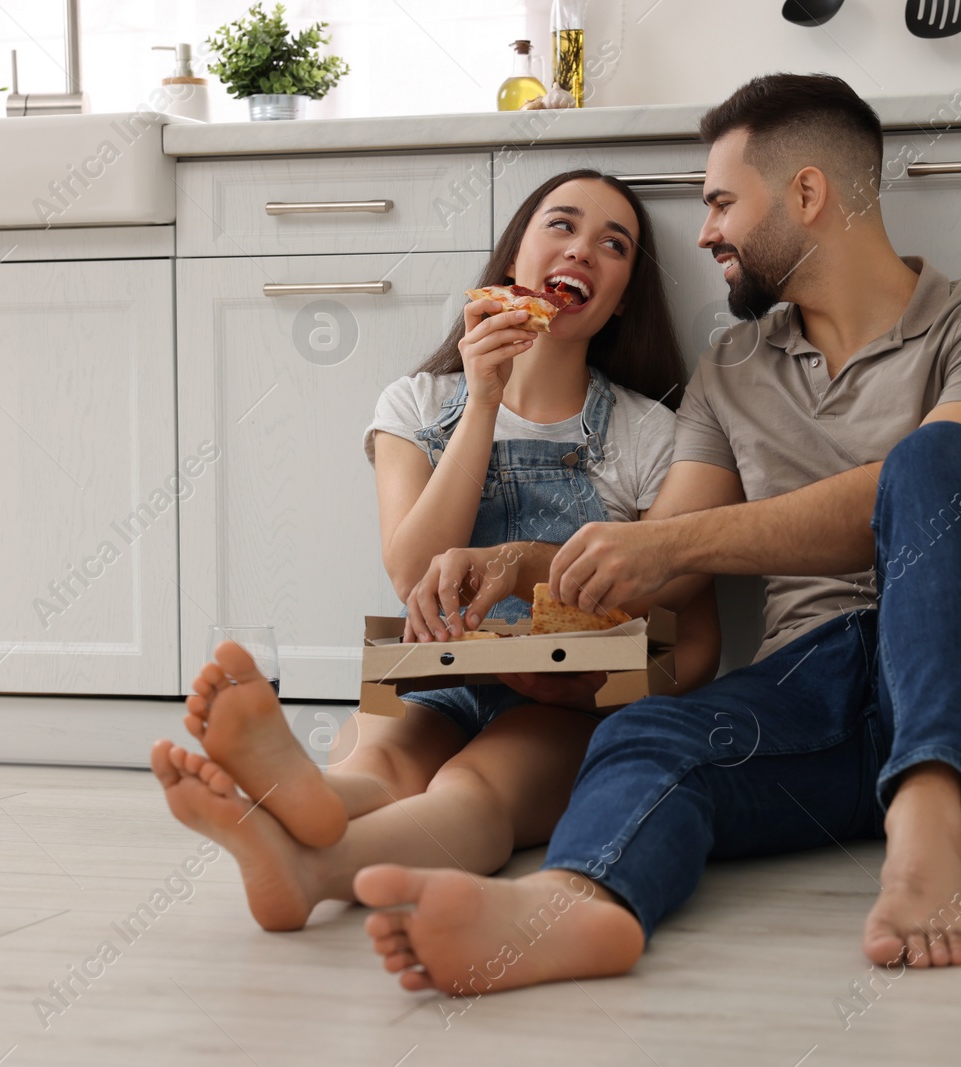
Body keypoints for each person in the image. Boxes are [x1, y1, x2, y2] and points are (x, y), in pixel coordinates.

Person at [352, 73, 961, 994]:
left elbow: (906, 504)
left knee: (930, 463)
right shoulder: (732, 366)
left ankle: (927, 841)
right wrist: (523, 562)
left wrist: (671, 547)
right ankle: (578, 908)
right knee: (649, 732)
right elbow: (656, 554)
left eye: (721, 203)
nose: (704, 234)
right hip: (811, 695)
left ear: (807, 195)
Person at [150, 170, 722, 931]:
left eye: (613, 245)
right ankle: (305, 795)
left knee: (472, 788)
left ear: (621, 297)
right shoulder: (416, 404)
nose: (583, 251)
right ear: (513, 259)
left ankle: (309, 863)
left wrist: (607, 689)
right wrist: (483, 397)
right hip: (438, 673)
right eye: (561, 225)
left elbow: (692, 623)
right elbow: (412, 570)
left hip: (568, 701)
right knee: (379, 765)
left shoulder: (649, 433)